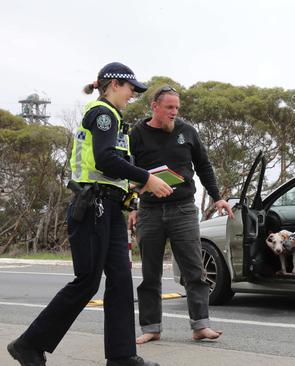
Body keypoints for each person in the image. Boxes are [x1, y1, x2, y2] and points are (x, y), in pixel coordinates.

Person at [6, 62, 173, 366]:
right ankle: (29, 344)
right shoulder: (102, 114)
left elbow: (109, 170)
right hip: (93, 207)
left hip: (108, 208)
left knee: (121, 281)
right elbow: (105, 159)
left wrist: (134, 189)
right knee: (87, 282)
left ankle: (122, 356)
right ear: (112, 85)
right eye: (129, 89)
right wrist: (147, 177)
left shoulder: (114, 118)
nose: (132, 95)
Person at [128, 85, 234, 344]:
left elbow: (204, 166)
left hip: (184, 209)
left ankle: (200, 326)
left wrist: (218, 196)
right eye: (169, 108)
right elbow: (127, 172)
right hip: (150, 211)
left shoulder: (187, 132)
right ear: (155, 107)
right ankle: (151, 328)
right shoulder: (137, 134)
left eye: (177, 108)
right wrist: (132, 207)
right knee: (150, 274)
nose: (174, 112)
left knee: (194, 270)